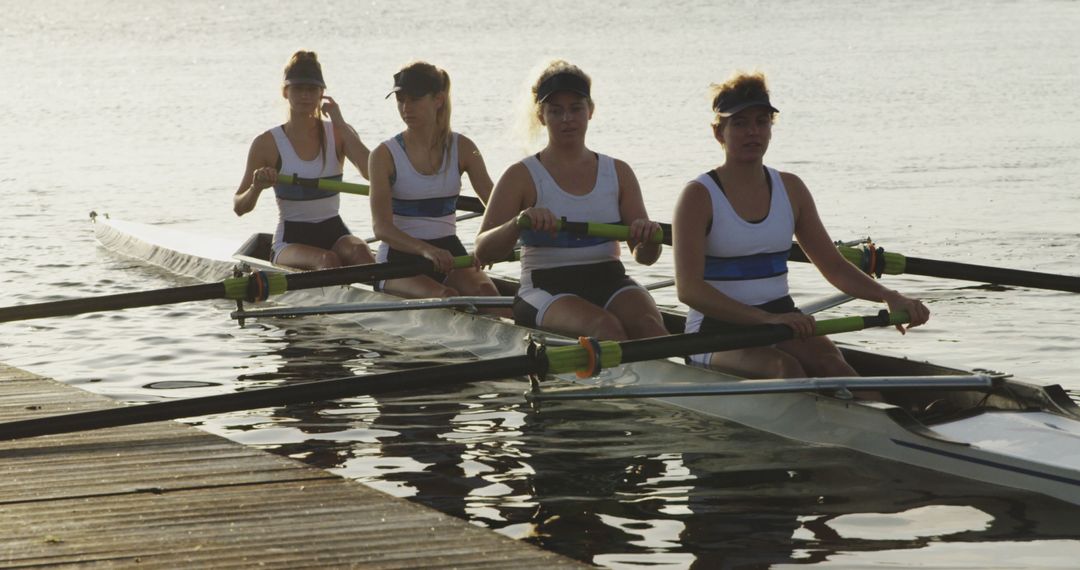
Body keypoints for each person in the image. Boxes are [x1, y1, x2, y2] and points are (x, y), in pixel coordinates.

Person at [673, 71, 931, 378]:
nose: (752, 132)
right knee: (784, 368)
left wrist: (890, 296)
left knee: (833, 366)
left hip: (781, 317)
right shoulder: (698, 196)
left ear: (771, 128)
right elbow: (689, 290)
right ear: (719, 133)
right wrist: (762, 319)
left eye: (761, 121)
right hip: (714, 330)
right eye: (739, 123)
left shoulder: (791, 189)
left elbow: (833, 266)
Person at [475, 60, 667, 340]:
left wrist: (651, 239)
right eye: (556, 111)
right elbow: (482, 251)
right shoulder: (521, 176)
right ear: (541, 116)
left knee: (651, 329)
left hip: (610, 279)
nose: (567, 118)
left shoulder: (619, 172)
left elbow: (646, 257)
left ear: (590, 111)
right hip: (545, 286)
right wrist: (518, 224)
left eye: (575, 108)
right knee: (605, 328)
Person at [368, 61, 504, 304]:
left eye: (415, 99)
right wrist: (426, 250)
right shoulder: (383, 155)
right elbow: (382, 229)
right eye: (401, 100)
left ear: (438, 100)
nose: (406, 108)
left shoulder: (464, 148)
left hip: (449, 254)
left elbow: (495, 203)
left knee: (489, 298)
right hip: (398, 260)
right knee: (446, 298)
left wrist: (491, 241)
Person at [233, 50, 376, 270]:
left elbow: (371, 173)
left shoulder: (339, 134)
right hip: (290, 240)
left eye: (312, 89)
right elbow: (239, 207)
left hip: (335, 231)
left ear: (322, 93)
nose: (305, 96)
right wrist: (256, 188)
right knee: (327, 260)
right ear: (285, 92)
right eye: (298, 88)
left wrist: (340, 122)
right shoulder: (266, 143)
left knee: (361, 252)